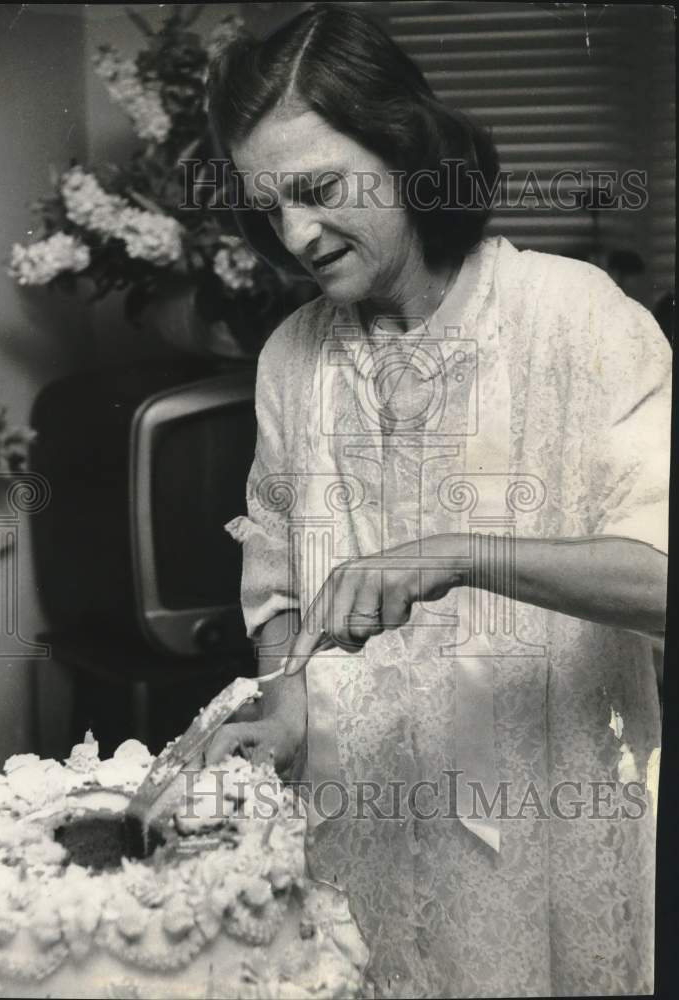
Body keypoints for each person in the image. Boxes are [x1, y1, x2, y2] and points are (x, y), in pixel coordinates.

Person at [204, 5, 670, 996]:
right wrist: (284, 702)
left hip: (542, 833)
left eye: (318, 189)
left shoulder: (575, 316)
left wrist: (454, 550)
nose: (293, 234)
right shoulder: (292, 357)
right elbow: (280, 591)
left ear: (405, 148)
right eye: (266, 207)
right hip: (357, 833)